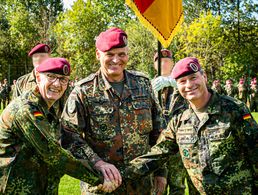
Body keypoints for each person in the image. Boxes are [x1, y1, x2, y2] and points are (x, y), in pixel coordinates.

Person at [128, 57, 258, 194]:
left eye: (193, 78)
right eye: (182, 81)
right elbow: (156, 154)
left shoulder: (234, 110)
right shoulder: (180, 121)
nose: (189, 85)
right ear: (177, 86)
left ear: (204, 77)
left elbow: (255, 152)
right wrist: (118, 175)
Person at [61, 27, 166, 195]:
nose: (116, 60)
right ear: (98, 55)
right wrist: (97, 163)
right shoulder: (83, 91)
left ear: (128, 54)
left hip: (141, 185)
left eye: (121, 54)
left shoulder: (143, 84)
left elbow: (159, 132)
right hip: (101, 185)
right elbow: (68, 136)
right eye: (109, 54)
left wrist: (161, 172)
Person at [0, 58, 117, 194]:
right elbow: (53, 154)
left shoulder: (48, 110)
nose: (57, 84)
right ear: (38, 77)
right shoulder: (25, 109)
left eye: (63, 79)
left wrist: (97, 163)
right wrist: (99, 179)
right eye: (51, 77)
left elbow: (66, 142)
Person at [151, 50, 197, 195]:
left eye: (167, 61)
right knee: (158, 188)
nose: (163, 63)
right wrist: (150, 91)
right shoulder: (148, 85)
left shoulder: (184, 83)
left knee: (177, 186)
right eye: (160, 61)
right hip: (157, 143)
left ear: (172, 63)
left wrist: (175, 83)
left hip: (180, 143)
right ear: (154, 64)